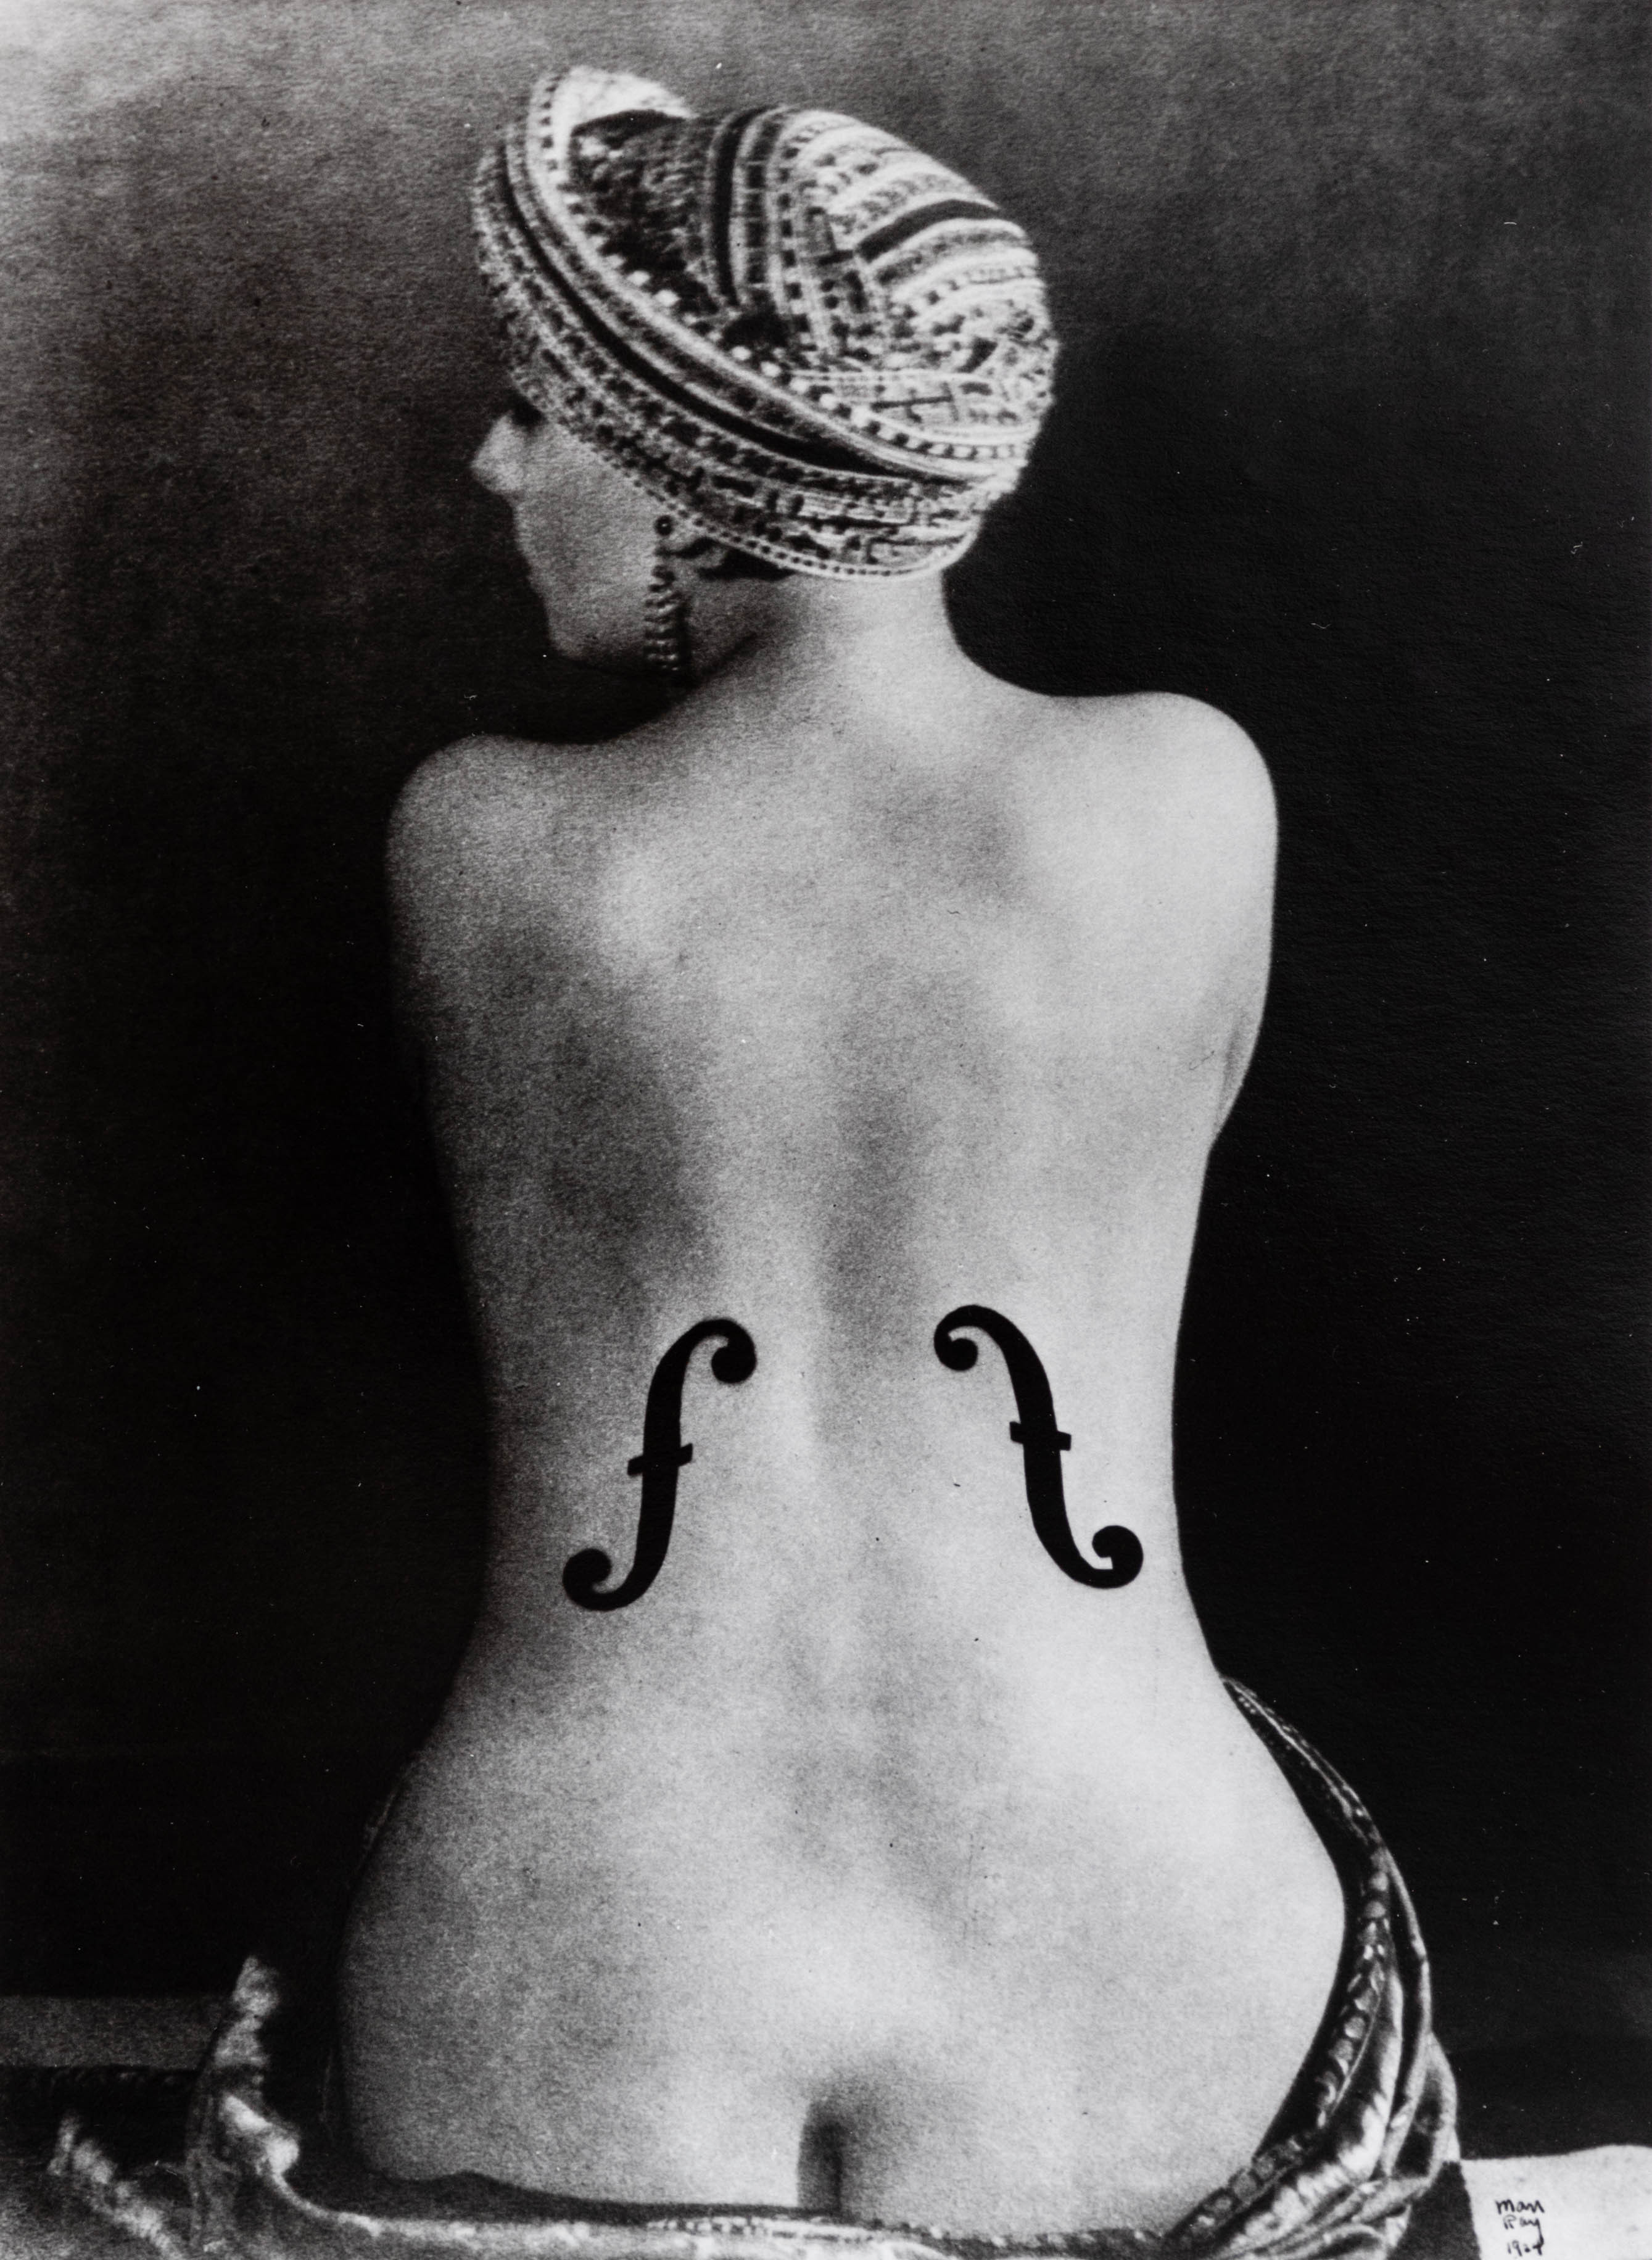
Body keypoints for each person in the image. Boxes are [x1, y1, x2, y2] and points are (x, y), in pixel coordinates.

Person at [326, 65, 1455, 2253]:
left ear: (687, 464)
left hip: (582, 1969)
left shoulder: (475, 841)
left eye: (544, 410)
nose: (496, 463)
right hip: (1135, 1953)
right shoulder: (1187, 801)